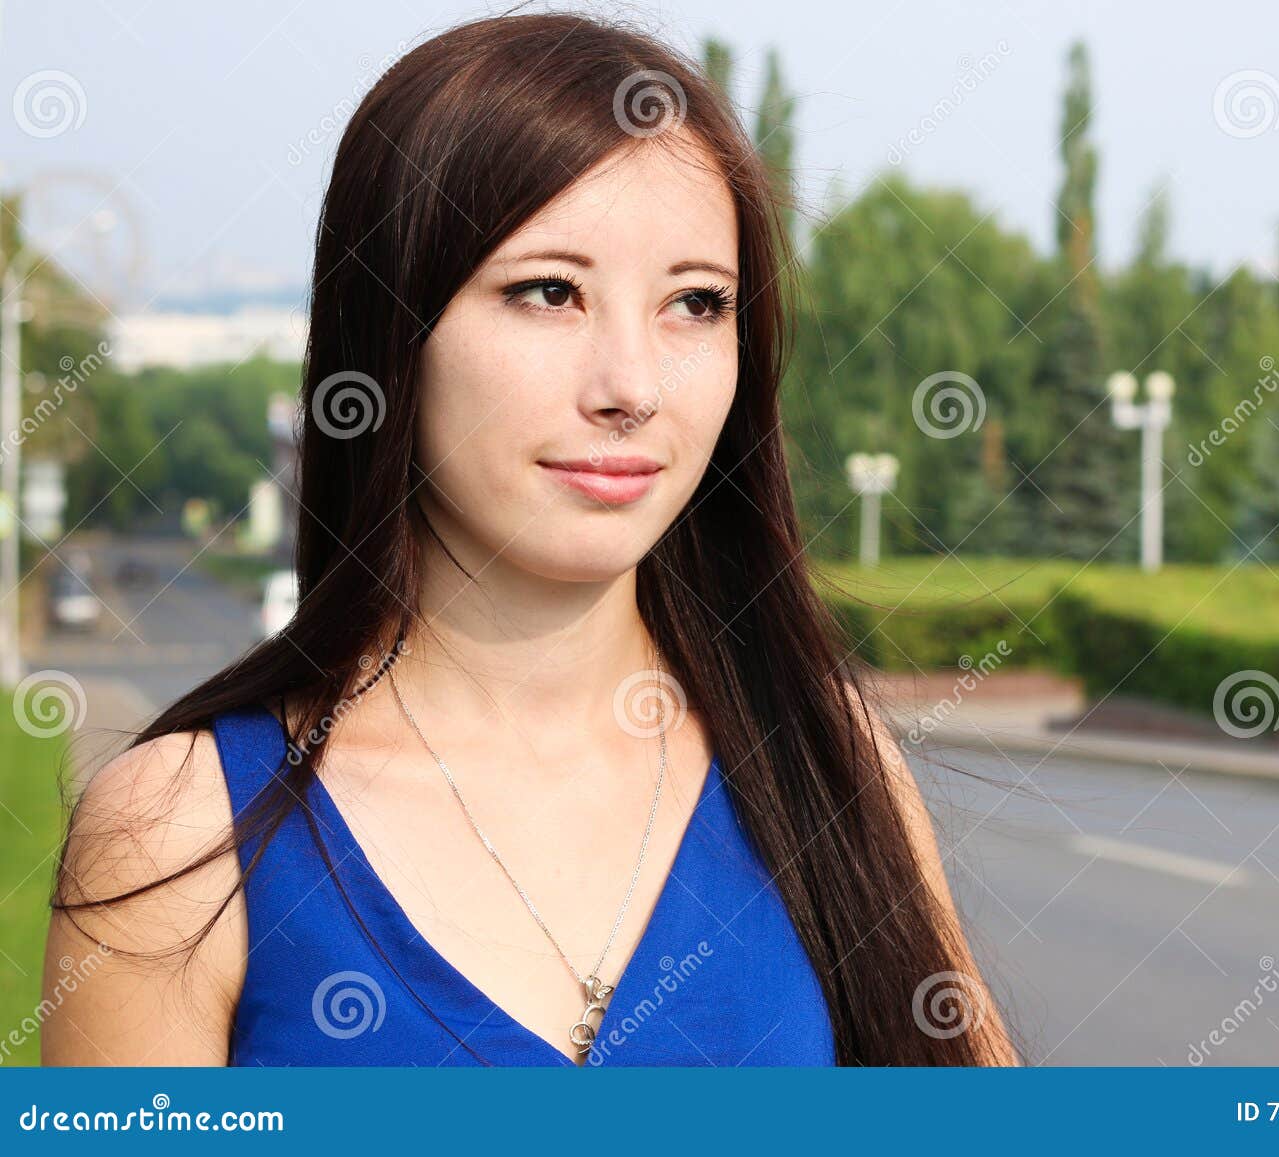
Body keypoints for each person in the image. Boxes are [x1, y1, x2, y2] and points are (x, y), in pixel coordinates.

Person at [41, 10, 1017, 1068]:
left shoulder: (827, 762)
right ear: (389, 329)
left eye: (696, 303)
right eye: (549, 292)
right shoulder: (181, 832)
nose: (633, 388)